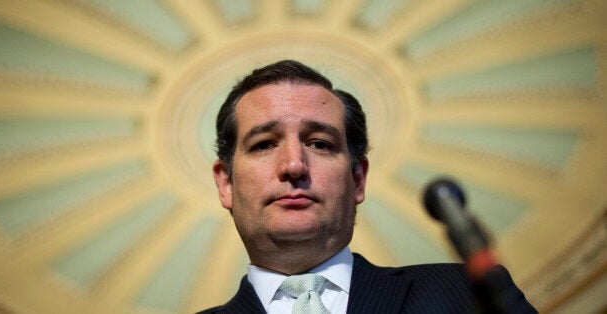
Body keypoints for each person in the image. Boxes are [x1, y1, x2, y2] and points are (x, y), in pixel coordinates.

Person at [199, 60, 535, 313]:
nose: (294, 165)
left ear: (357, 178)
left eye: (319, 143)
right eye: (262, 144)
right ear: (226, 183)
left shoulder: (465, 294)